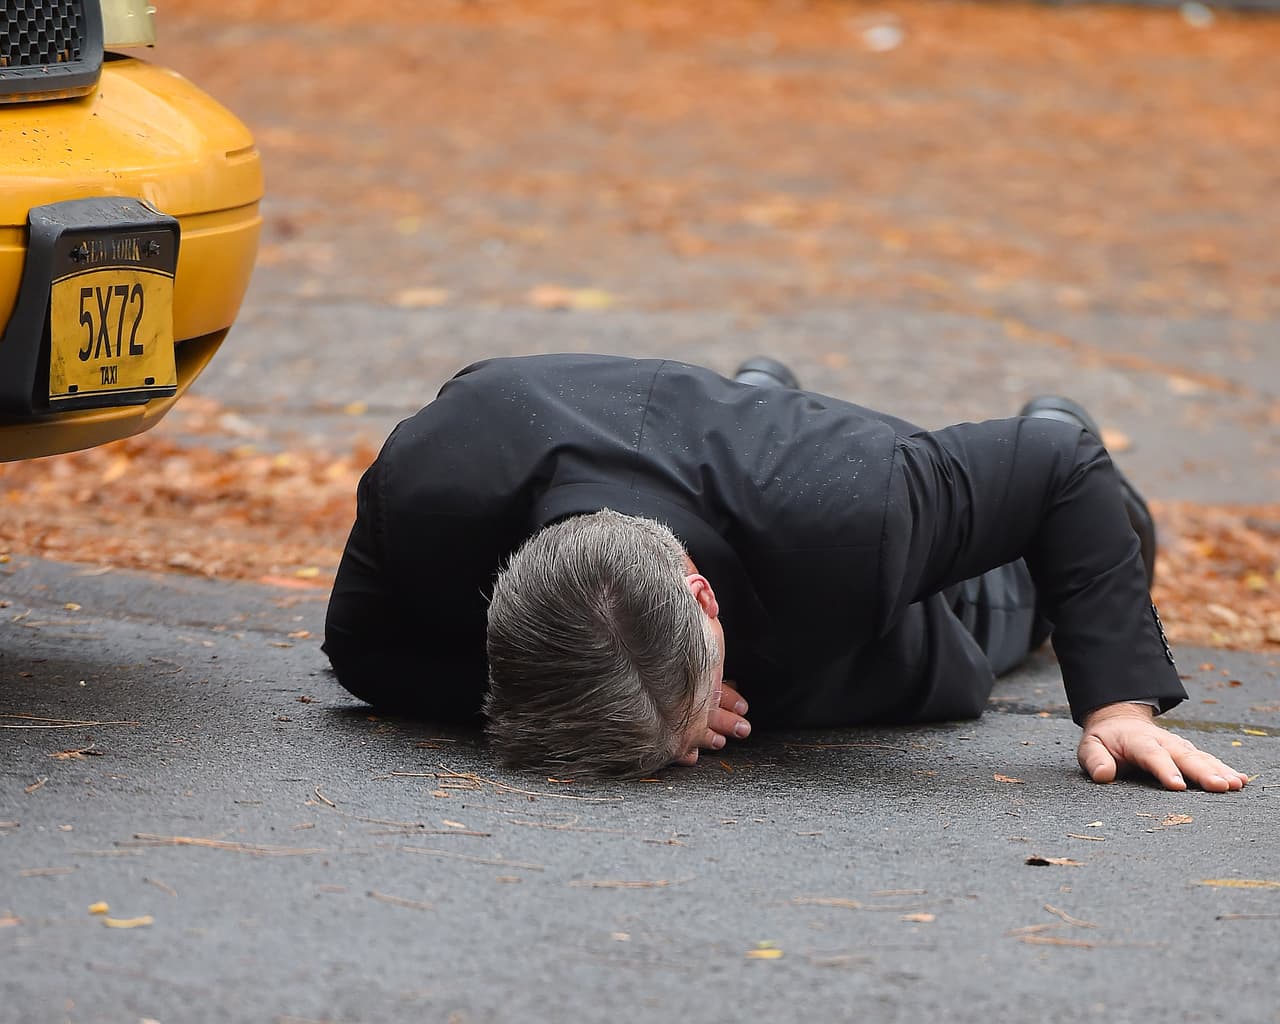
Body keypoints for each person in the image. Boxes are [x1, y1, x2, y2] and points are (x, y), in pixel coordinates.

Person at [323, 353, 1248, 793]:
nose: (694, 752)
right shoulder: (429, 487)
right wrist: (552, 697)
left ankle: (1043, 394)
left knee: (1046, 548)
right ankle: (758, 388)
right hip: (719, 456)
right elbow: (361, 651)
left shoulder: (859, 515)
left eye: (686, 735)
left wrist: (1117, 706)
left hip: (842, 537)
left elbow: (1060, 474)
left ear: (702, 597)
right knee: (750, 430)